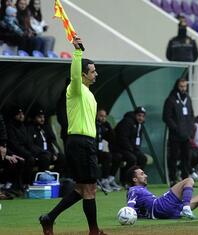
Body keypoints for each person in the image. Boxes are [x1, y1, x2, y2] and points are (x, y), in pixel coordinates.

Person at [39, 36, 106, 235]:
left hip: (85, 143)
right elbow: (74, 75)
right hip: (80, 142)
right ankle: (93, 231)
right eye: (93, 71)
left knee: (81, 189)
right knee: (90, 189)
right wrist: (77, 52)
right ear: (84, 75)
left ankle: (49, 218)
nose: (96, 74)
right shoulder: (74, 88)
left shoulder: (88, 94)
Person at [126, 166, 198, 219]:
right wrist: (128, 213)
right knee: (189, 180)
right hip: (159, 206)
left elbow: (137, 207)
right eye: (142, 174)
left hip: (168, 212)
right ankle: (186, 208)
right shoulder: (133, 189)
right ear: (135, 179)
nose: (146, 175)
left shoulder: (141, 190)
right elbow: (131, 204)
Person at [162, 78, 194, 186]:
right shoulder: (170, 99)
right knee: (174, 157)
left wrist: (190, 130)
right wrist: (176, 129)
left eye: (185, 86)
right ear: (177, 86)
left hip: (186, 135)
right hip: (175, 136)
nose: (183, 89)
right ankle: (172, 180)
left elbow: (191, 116)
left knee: (186, 157)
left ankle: (186, 180)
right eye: (181, 86)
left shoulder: (188, 99)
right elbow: (166, 117)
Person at [114, 106, 147, 185]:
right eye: (139, 115)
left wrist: (136, 149)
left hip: (132, 148)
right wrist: (131, 149)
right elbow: (123, 138)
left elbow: (138, 139)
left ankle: (139, 180)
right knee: (132, 159)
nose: (141, 118)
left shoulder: (140, 125)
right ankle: (125, 180)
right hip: (120, 148)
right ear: (135, 115)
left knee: (142, 158)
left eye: (143, 116)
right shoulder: (127, 122)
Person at [28, 108, 66, 176]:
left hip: (48, 153)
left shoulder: (45, 128)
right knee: (45, 158)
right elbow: (31, 145)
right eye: (39, 117)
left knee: (62, 157)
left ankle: (56, 177)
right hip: (39, 154)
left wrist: (54, 153)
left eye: (43, 117)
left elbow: (50, 142)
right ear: (34, 118)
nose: (42, 119)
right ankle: (43, 178)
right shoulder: (30, 129)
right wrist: (44, 152)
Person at [95, 108, 122, 192]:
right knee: (107, 156)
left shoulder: (104, 126)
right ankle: (103, 180)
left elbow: (112, 138)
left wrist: (109, 127)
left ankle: (110, 179)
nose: (103, 118)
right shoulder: (92, 125)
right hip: (93, 152)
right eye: (101, 116)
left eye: (105, 116)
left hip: (100, 151)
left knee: (118, 156)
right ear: (96, 115)